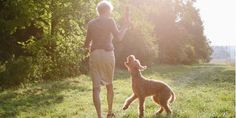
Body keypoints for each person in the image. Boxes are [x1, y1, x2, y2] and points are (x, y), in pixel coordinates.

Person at [84, 0, 129, 118]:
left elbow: (86, 44)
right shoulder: (110, 21)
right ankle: (109, 113)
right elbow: (119, 37)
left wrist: (90, 48)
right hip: (108, 54)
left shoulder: (91, 23)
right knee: (109, 85)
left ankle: (100, 116)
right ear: (108, 10)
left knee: (96, 88)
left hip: (95, 54)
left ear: (98, 11)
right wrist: (125, 27)